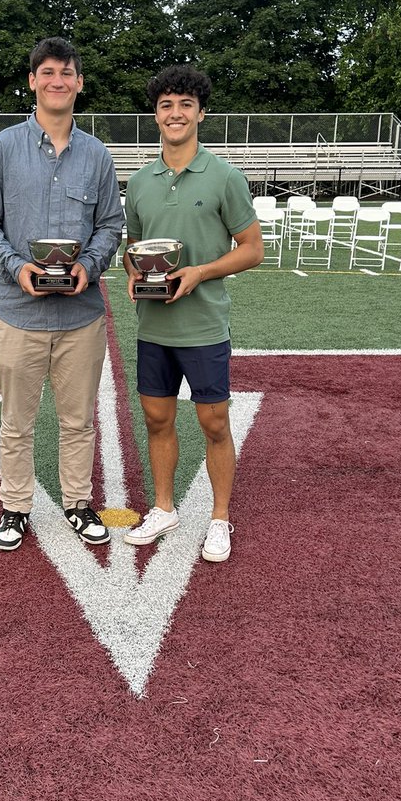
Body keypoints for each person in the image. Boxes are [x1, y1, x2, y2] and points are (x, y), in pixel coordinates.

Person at [0, 36, 124, 552]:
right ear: (33, 80)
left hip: (80, 315)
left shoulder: (97, 155)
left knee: (78, 421)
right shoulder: (3, 148)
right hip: (17, 313)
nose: (58, 81)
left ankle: (77, 502)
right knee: (17, 423)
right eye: (48, 72)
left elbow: (110, 225)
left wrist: (89, 265)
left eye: (67, 72)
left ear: (80, 83)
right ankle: (15, 506)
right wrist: (17, 269)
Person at [122, 65, 263, 563]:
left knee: (215, 422)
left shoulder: (225, 176)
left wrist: (200, 272)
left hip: (203, 326)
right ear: (155, 115)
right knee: (157, 419)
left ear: (201, 113)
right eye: (166, 105)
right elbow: (134, 248)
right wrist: (132, 271)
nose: (175, 113)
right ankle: (164, 508)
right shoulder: (139, 182)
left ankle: (220, 517)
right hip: (154, 327)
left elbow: (253, 249)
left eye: (185, 104)